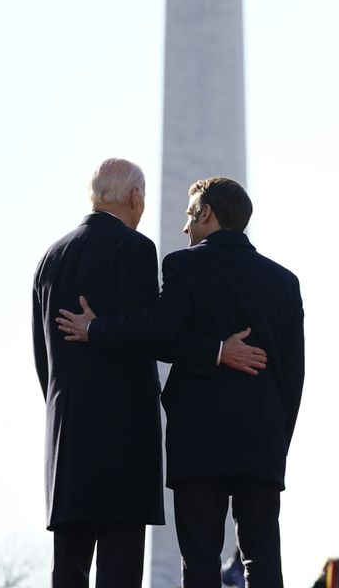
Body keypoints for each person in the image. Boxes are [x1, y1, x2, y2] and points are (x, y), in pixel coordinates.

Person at [56, 176, 305, 588]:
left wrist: (97, 329)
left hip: (199, 440)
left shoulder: (183, 265)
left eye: (189, 215)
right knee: (262, 557)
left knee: (201, 560)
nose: (184, 228)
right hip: (263, 438)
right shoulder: (284, 281)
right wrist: (279, 439)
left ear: (206, 213)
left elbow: (158, 330)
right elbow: (293, 374)